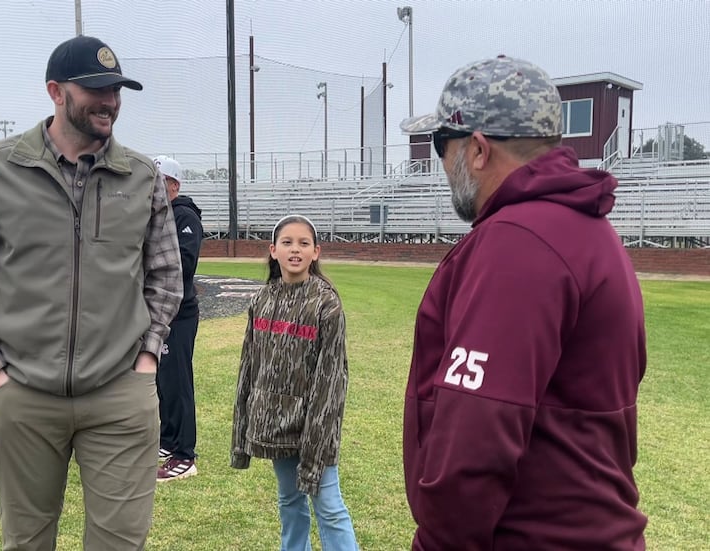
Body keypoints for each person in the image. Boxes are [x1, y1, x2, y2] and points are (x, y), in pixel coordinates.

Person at [0, 35, 182, 550]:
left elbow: (165, 279)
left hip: (120, 392)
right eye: (96, 89)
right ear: (56, 91)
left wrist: (146, 359)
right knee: (26, 542)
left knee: (120, 544)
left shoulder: (142, 177)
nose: (110, 101)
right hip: (23, 394)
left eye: (116, 90)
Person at [399, 55, 647, 550]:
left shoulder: (518, 241)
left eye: (442, 143)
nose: (441, 164)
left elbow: (477, 432)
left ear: (477, 149)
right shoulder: (588, 229)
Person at [231, 215, 359, 551]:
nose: (295, 250)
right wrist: (245, 426)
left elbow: (332, 378)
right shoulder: (262, 300)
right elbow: (249, 366)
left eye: (304, 243)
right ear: (273, 250)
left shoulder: (326, 304)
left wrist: (316, 434)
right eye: (287, 243)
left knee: (329, 507)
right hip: (277, 424)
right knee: (289, 500)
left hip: (315, 427)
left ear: (316, 252)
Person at [152, 155, 204, 482]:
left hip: (179, 313)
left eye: (158, 182)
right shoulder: (154, 216)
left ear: (174, 185)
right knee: (164, 380)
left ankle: (185, 454)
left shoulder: (185, 217)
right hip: (159, 311)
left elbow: (185, 263)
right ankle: (168, 439)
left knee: (179, 381)